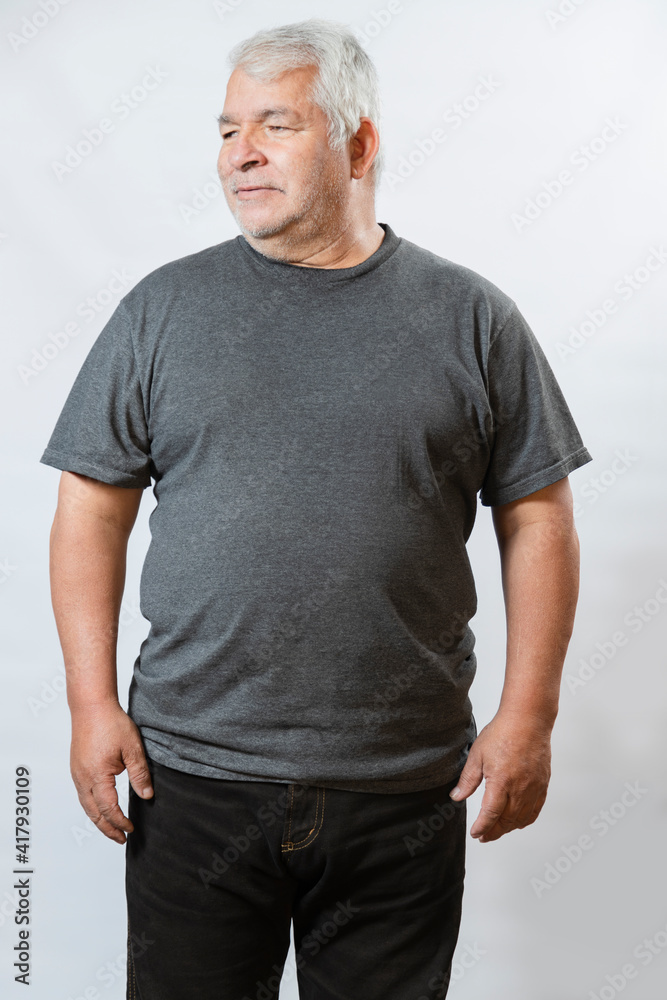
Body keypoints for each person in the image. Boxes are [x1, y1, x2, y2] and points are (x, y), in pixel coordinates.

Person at [40, 18, 592, 1000]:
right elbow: (90, 503)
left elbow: (537, 514)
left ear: (358, 143)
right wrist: (89, 701)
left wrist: (529, 712)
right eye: (224, 129)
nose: (238, 152)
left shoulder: (470, 318)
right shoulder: (160, 312)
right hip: (195, 778)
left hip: (402, 783)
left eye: (273, 124)